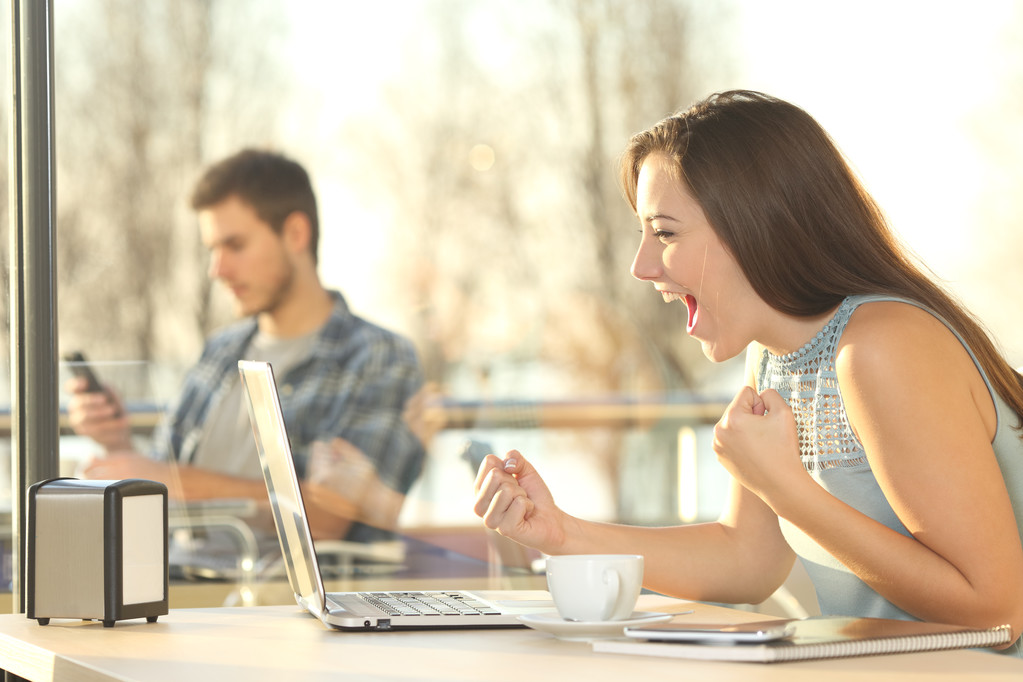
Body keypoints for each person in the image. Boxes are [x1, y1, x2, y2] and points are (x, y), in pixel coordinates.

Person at [473, 91, 1023, 655]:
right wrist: (563, 532)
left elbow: (996, 612)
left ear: (754, 226)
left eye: (664, 232)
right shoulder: (771, 356)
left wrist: (785, 488)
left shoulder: (882, 348)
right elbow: (747, 557)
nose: (640, 266)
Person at [68, 149, 426, 545]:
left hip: (279, 586)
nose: (217, 269)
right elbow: (162, 475)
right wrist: (118, 443)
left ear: (296, 234)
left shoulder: (377, 357)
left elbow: (331, 516)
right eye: (212, 249)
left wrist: (170, 481)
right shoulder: (220, 350)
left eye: (235, 245)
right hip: (174, 577)